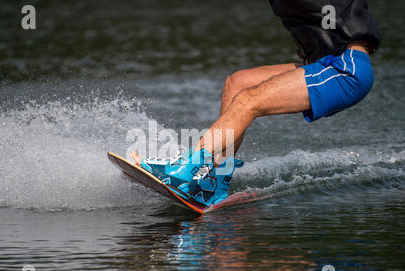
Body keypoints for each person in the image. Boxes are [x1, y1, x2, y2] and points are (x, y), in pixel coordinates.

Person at [131, 0, 381, 206]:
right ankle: (215, 182)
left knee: (248, 101)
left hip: (347, 68)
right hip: (323, 64)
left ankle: (185, 169)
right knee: (238, 84)